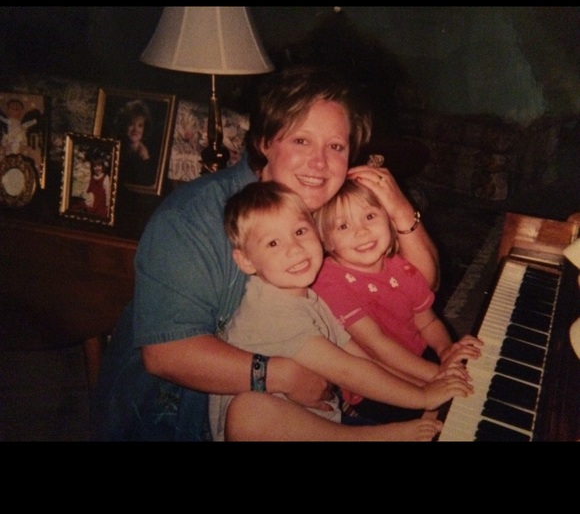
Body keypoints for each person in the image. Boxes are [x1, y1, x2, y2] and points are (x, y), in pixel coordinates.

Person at [90, 66, 441, 442]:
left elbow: (422, 284)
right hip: (174, 414)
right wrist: (280, 375)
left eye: (336, 147)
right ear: (263, 142)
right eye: (301, 141)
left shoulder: (325, 208)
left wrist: (400, 209)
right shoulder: (193, 217)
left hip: (303, 402)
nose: (320, 163)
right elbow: (167, 355)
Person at [209, 180, 473, 441]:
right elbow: (348, 372)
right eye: (273, 244)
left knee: (442, 415)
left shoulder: (309, 295)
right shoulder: (271, 312)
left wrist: (430, 383)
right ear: (246, 260)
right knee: (248, 411)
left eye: (300, 232)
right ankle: (370, 437)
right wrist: (423, 396)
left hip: (317, 421)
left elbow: (362, 359)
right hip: (261, 432)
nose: (295, 249)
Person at [312, 179, 483, 423]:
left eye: (370, 216)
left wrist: (446, 351)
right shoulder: (328, 280)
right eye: (343, 226)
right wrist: (437, 374)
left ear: (390, 221)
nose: (362, 231)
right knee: (445, 413)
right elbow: (377, 345)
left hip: (416, 355)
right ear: (326, 240)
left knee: (474, 377)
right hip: (376, 378)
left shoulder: (402, 267)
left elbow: (427, 322)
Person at [116, 99, 156, 186]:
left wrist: (144, 158)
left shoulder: (146, 156)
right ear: (124, 125)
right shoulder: (116, 149)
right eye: (131, 124)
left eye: (140, 125)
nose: (135, 129)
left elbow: (148, 184)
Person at [72, 153, 111, 219]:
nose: (97, 168)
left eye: (99, 165)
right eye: (95, 166)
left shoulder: (105, 177)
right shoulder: (92, 177)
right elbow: (87, 189)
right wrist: (87, 197)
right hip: (91, 203)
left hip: (100, 205)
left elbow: (108, 192)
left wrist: (108, 205)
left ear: (102, 166)